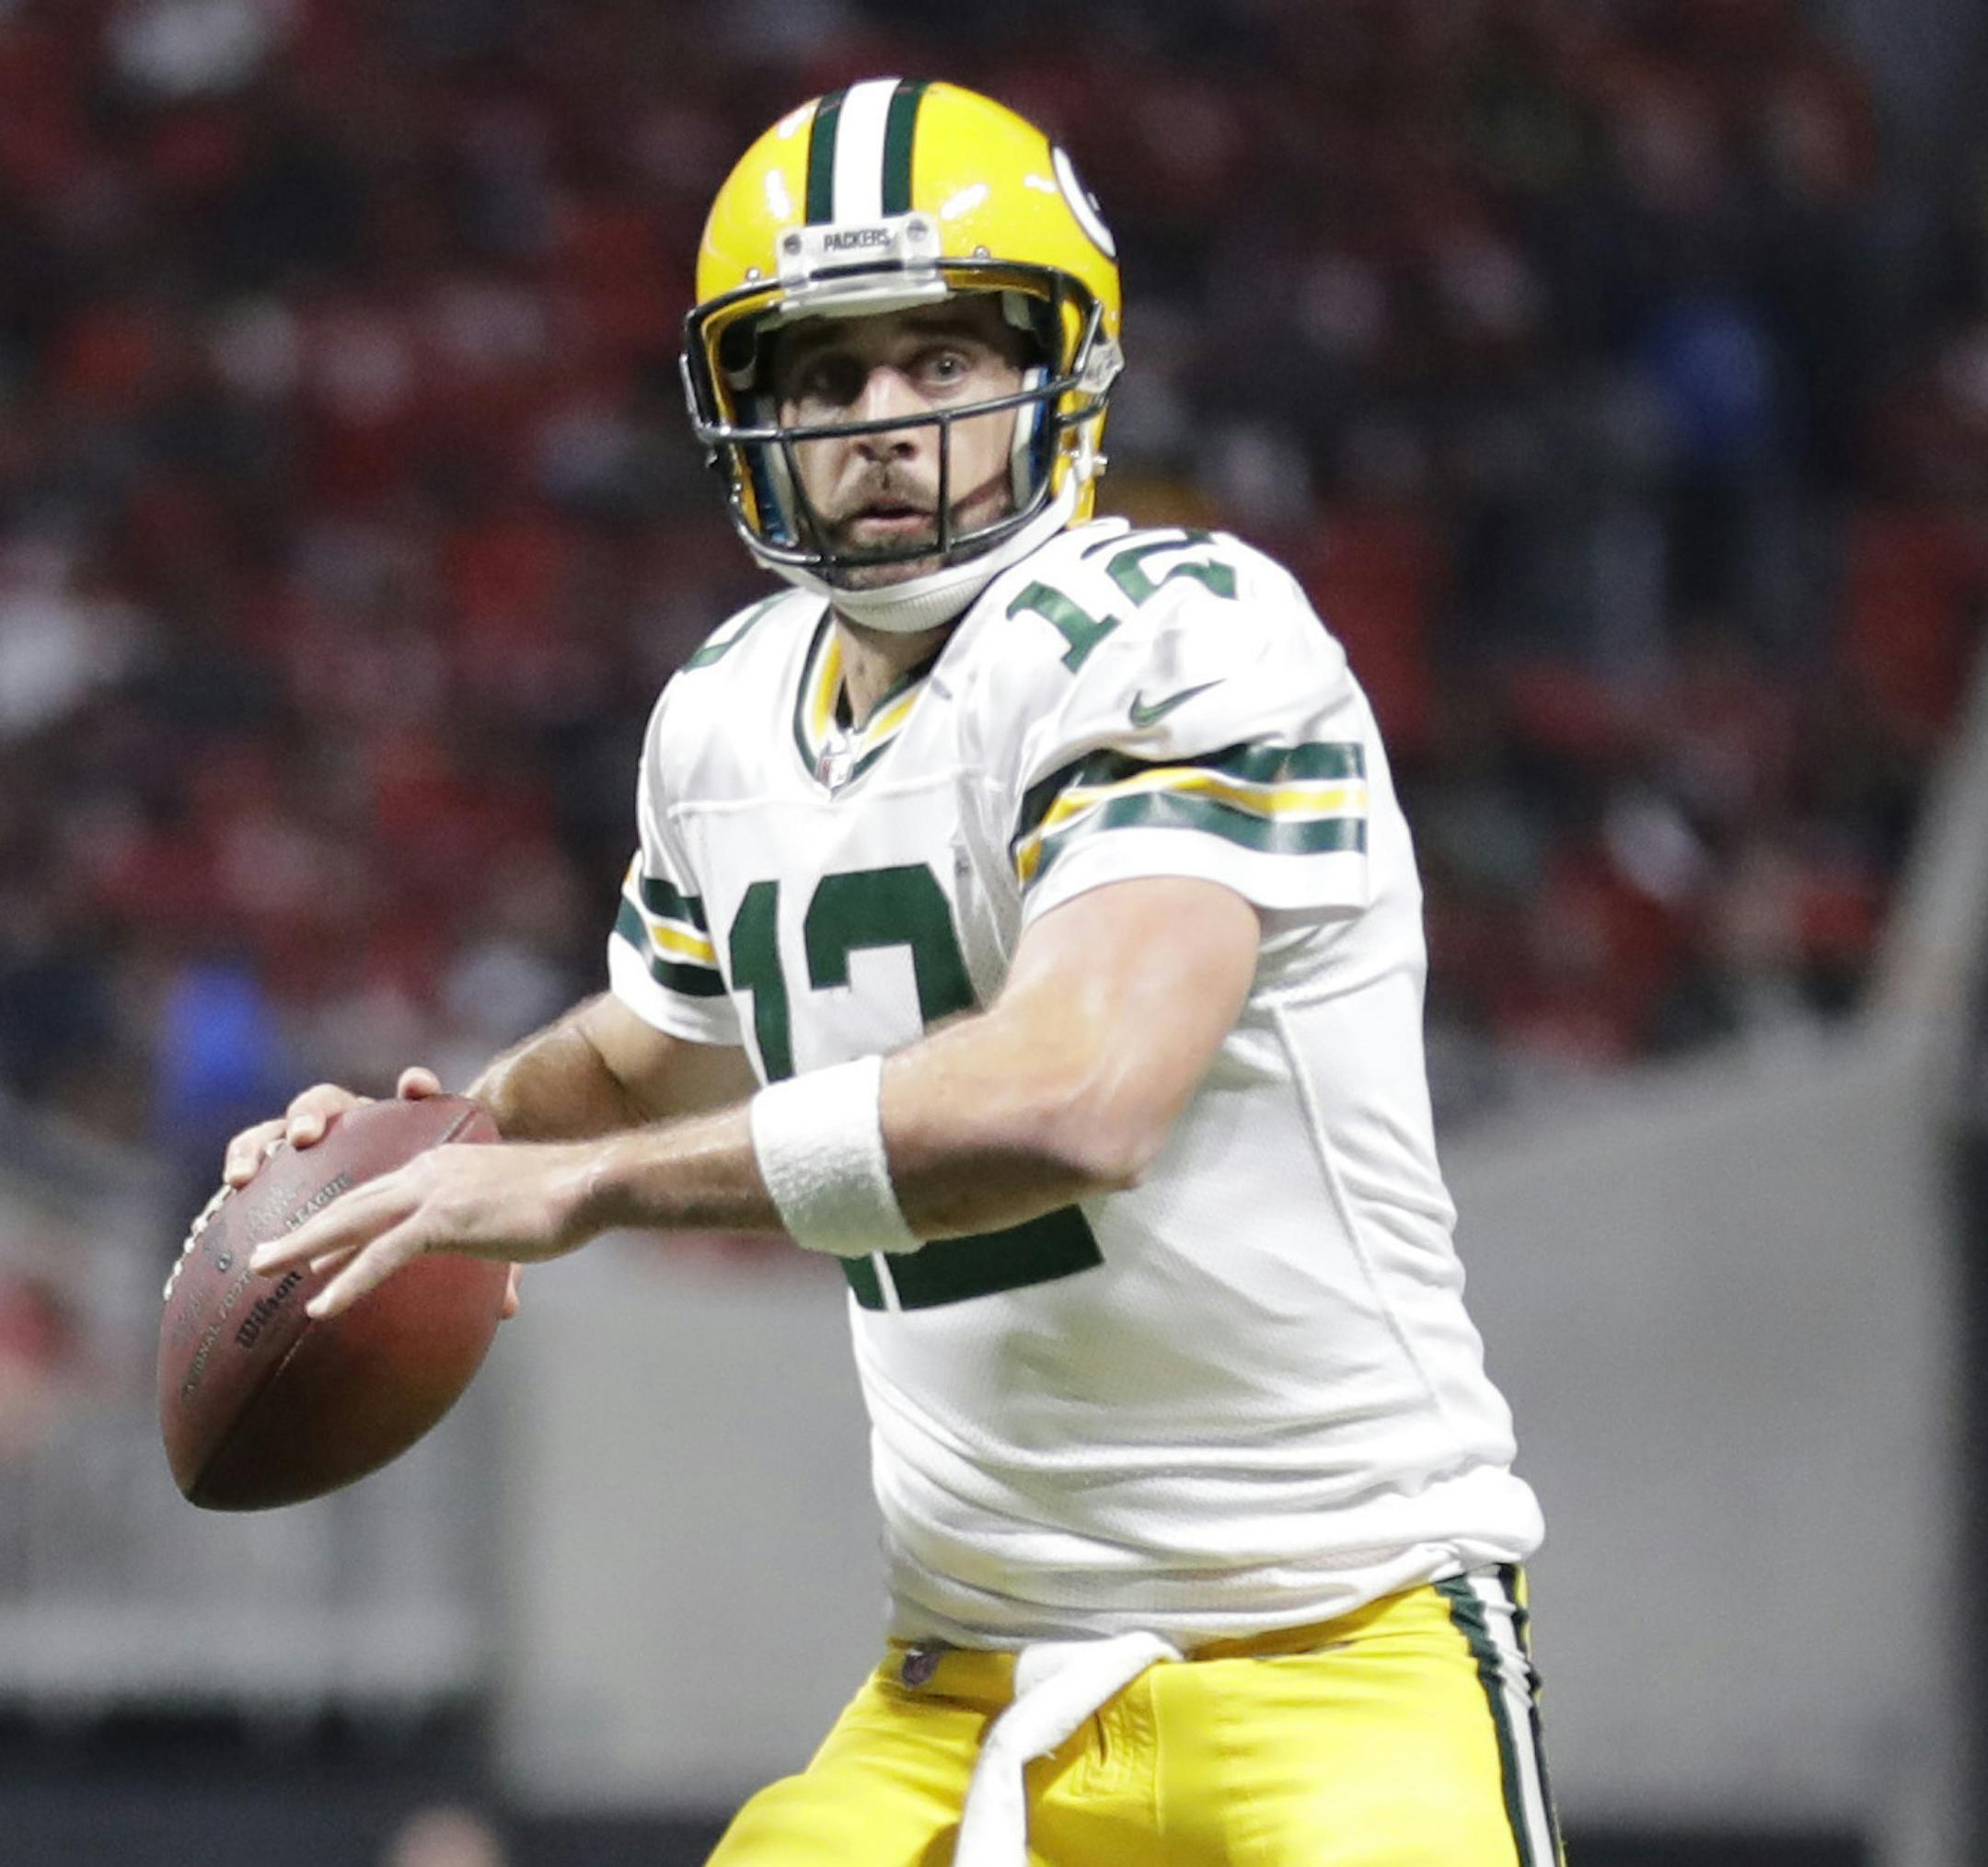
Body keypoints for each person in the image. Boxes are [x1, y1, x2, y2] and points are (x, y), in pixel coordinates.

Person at [237, 79, 1560, 1867]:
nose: (883, 423)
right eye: (825, 376)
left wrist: (582, 1188)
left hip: (1339, 1639)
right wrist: (431, 1156)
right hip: (966, 1675)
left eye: (940, 360)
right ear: (749, 417)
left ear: (1058, 374)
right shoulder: (724, 713)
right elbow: (639, 1059)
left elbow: (1081, 1099)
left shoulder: (1186, 629)